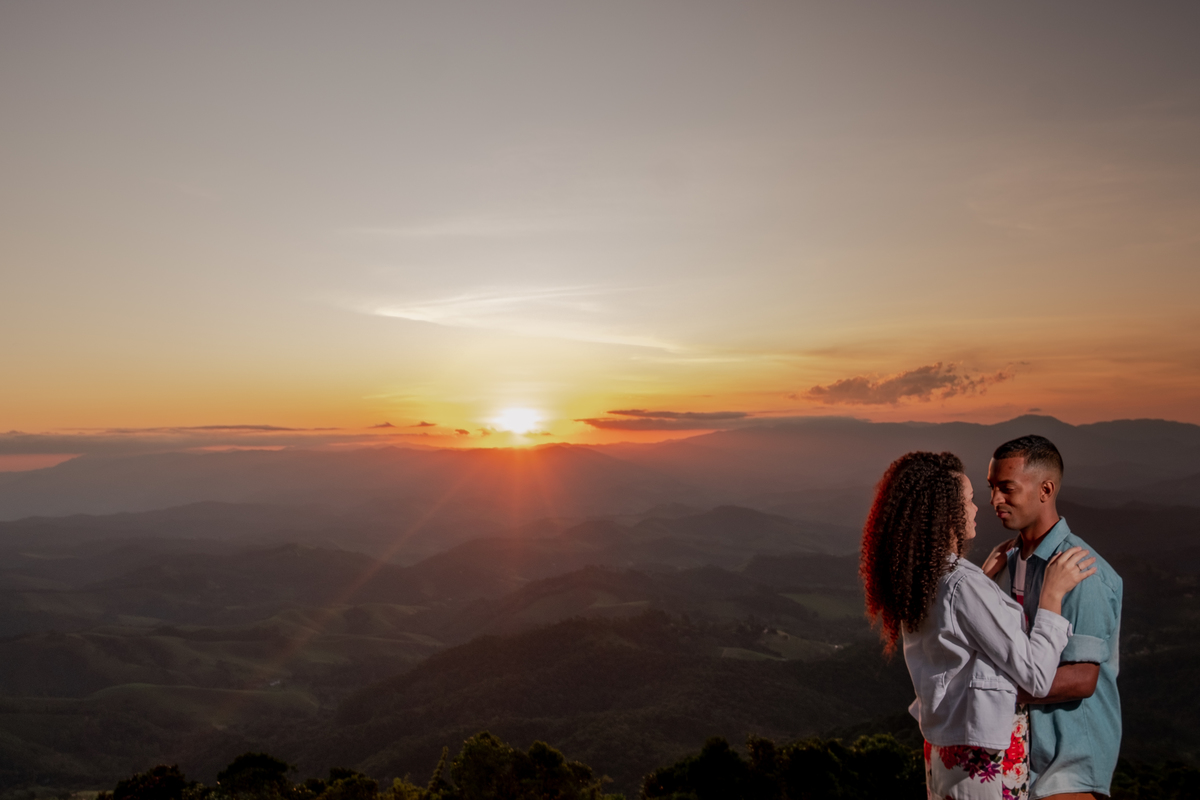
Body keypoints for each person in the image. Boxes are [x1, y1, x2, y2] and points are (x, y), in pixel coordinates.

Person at [861, 451, 1095, 800]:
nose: (975, 508)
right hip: (983, 756)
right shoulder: (959, 585)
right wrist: (1052, 594)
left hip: (945, 751)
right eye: (967, 501)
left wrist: (982, 581)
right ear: (943, 514)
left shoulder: (923, 578)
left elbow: (952, 638)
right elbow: (1035, 674)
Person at [980, 435, 1123, 800]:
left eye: (1006, 488)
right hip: (1024, 762)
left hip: (1069, 767)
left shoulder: (1082, 571)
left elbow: (1081, 679)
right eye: (992, 487)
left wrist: (985, 692)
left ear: (1045, 489)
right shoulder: (1006, 563)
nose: (995, 499)